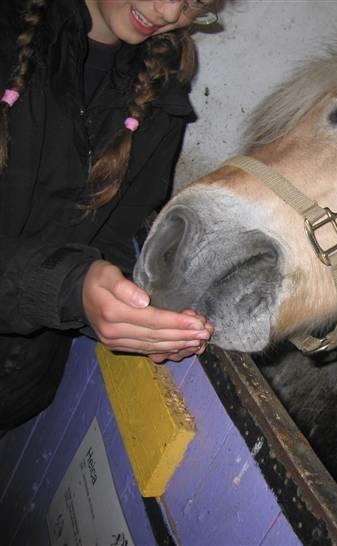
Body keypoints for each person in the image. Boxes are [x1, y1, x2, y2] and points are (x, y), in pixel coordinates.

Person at [0, 0, 218, 429]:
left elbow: (111, 240)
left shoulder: (160, 94)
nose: (169, 12)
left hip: (17, 388)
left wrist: (134, 317)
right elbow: (69, 281)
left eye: (193, 3)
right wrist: (68, 287)